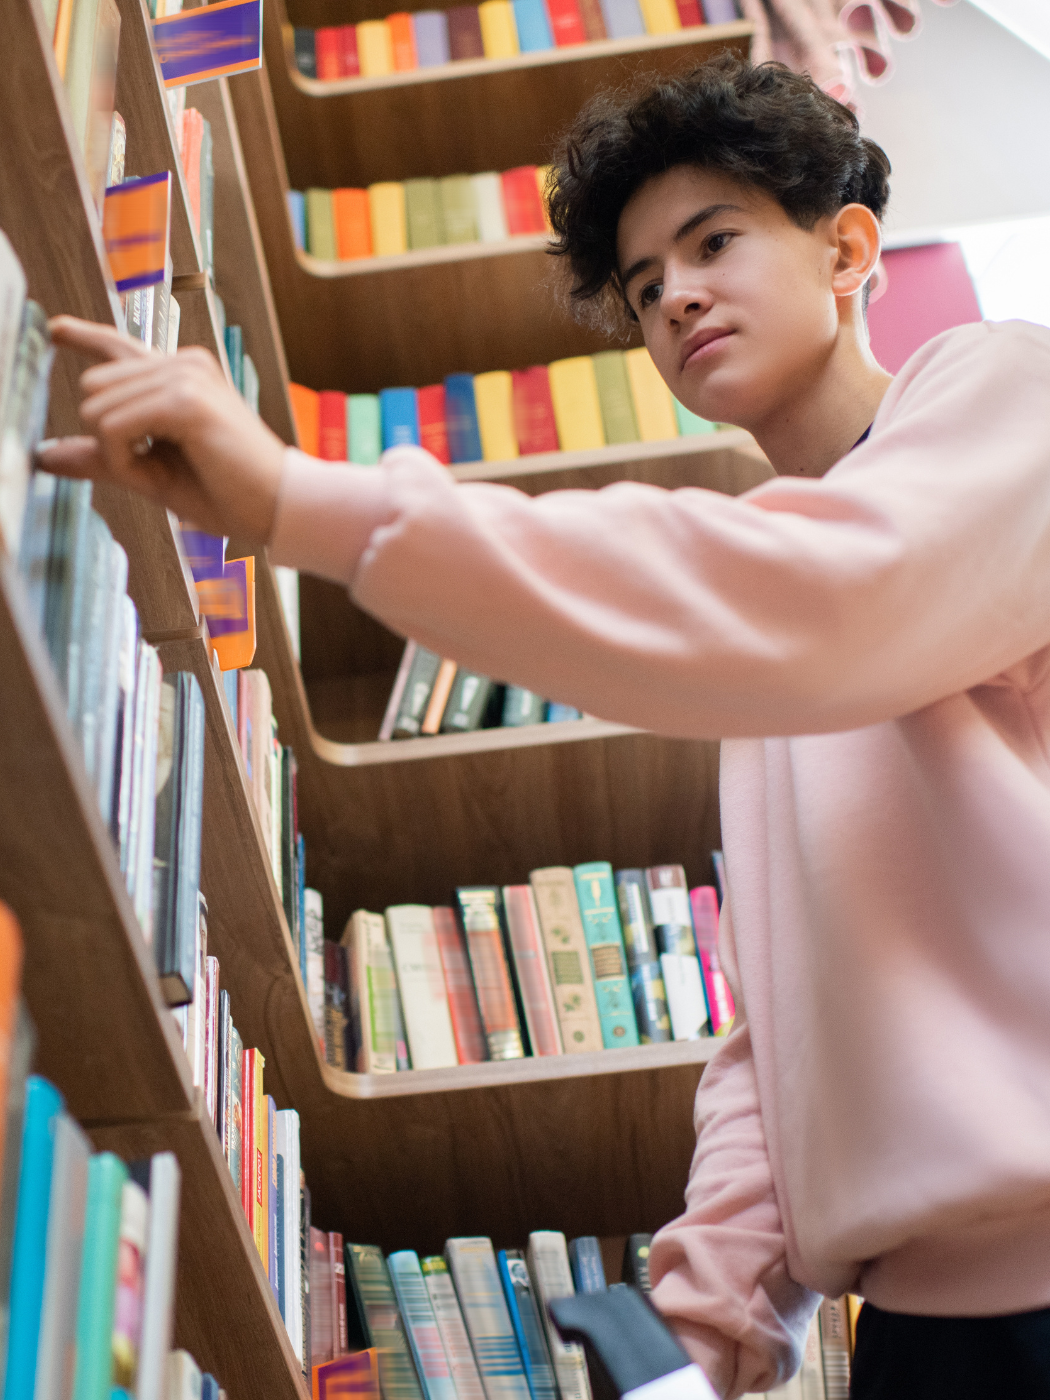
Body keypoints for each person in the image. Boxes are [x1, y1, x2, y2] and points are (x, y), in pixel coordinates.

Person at [42, 55, 1050, 1400]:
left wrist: (302, 501)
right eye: (641, 287)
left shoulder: (997, 398)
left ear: (846, 249)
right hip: (924, 1338)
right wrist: (694, 1341)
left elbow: (835, 592)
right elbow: (792, 1035)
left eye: (713, 242)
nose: (675, 295)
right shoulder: (769, 658)